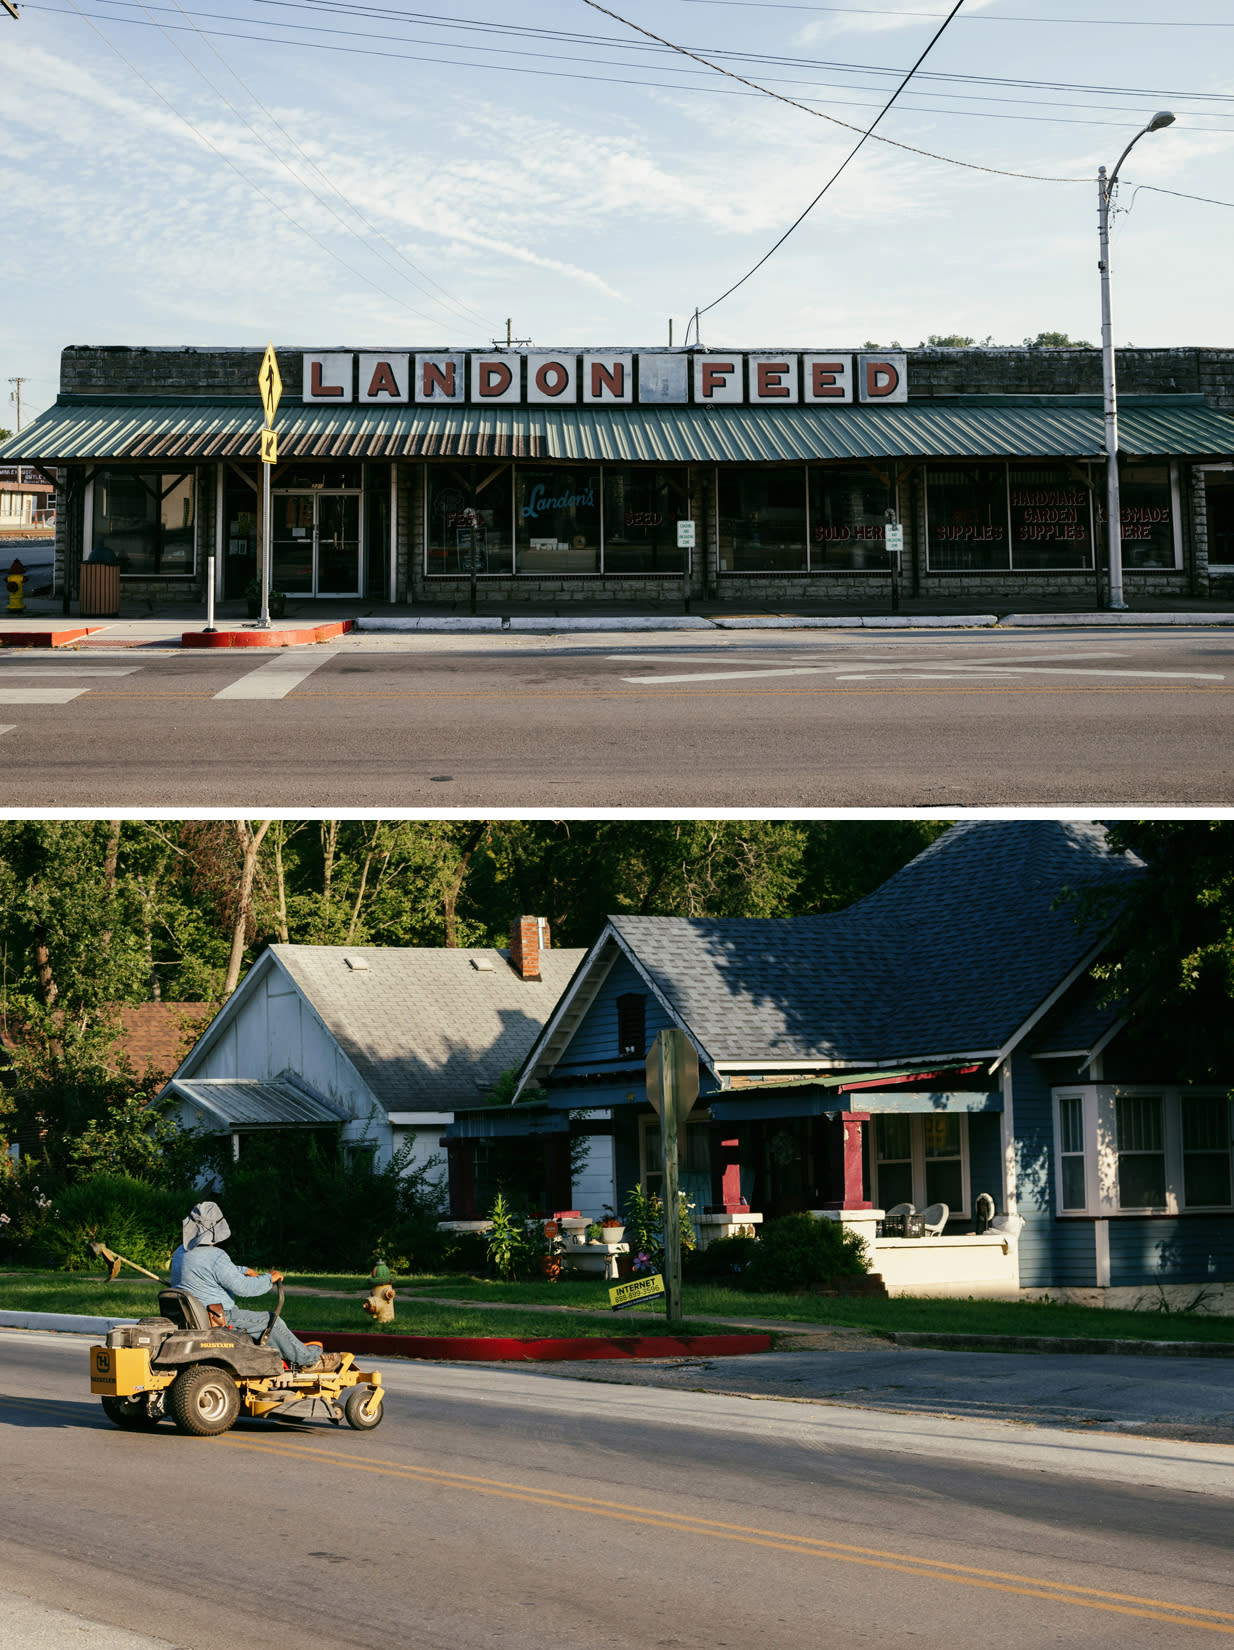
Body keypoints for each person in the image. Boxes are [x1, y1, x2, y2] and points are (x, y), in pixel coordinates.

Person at [169, 1201, 342, 1373]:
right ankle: (310, 1361)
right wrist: (269, 1278)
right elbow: (244, 1288)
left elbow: (212, 1271)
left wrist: (244, 1270)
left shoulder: (180, 1253)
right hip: (218, 1318)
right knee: (270, 1321)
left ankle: (291, 1353)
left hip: (192, 1317)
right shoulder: (215, 1256)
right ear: (215, 1230)